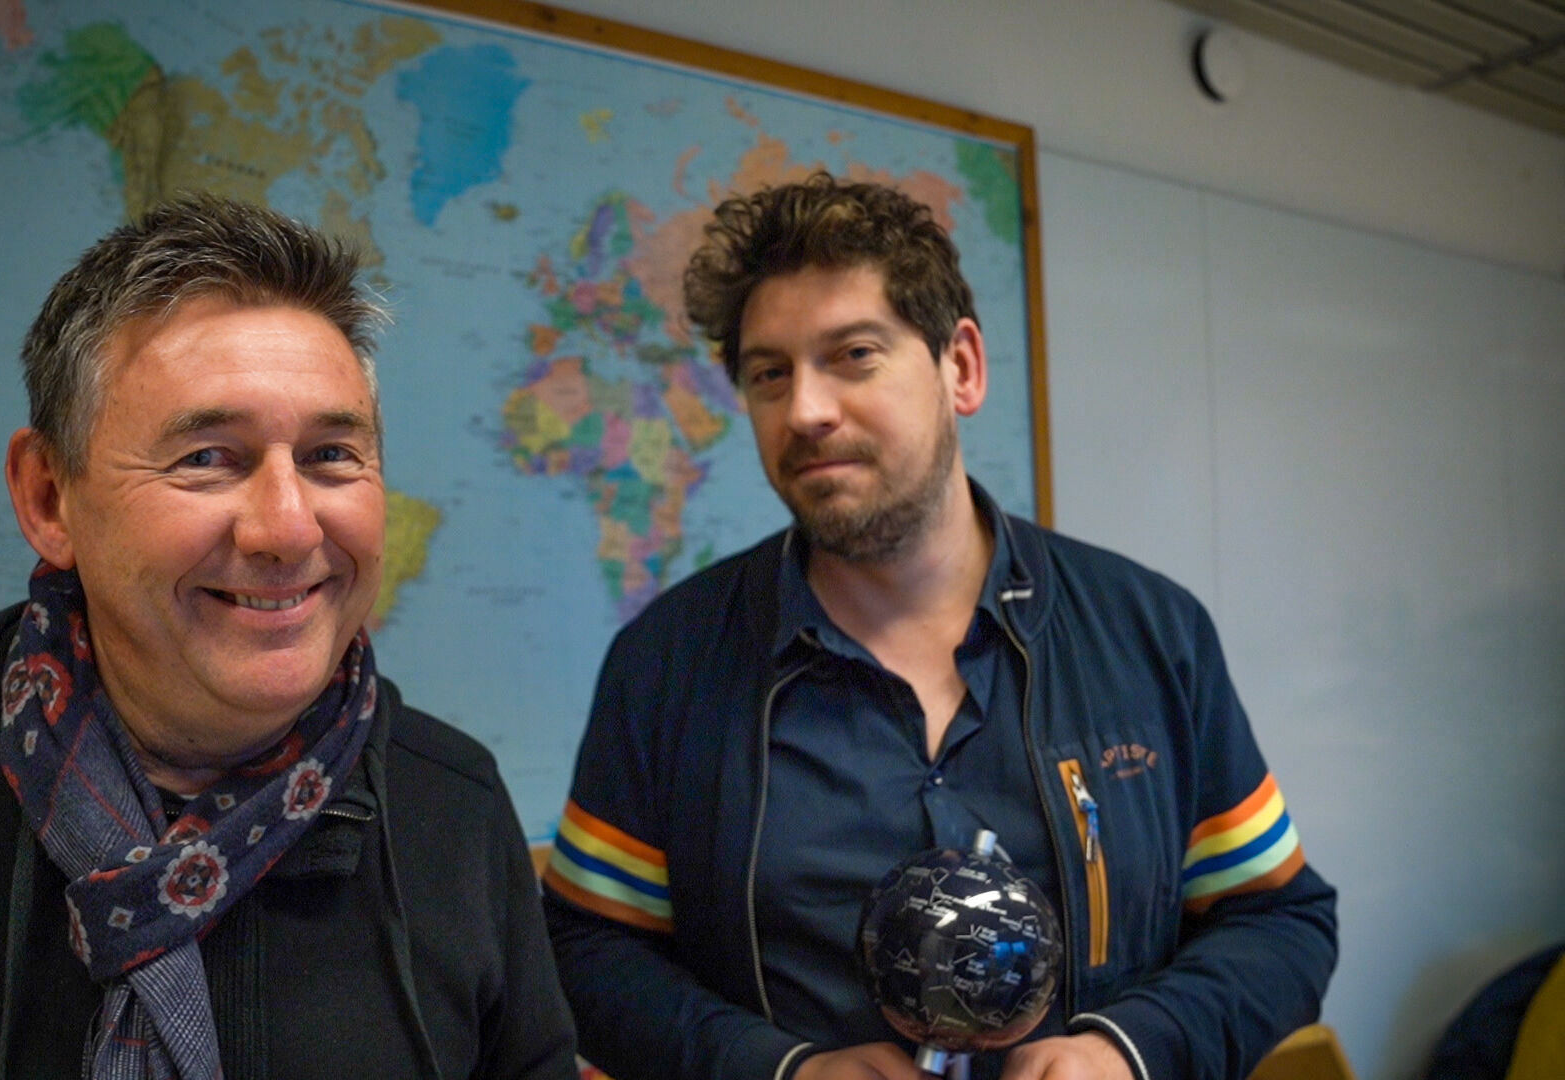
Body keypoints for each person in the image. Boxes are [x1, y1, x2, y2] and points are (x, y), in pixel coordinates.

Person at [0, 195, 577, 1080]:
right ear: (49, 498)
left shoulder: (454, 810)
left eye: (331, 455)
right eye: (207, 458)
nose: (289, 528)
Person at [541, 173, 1337, 1080]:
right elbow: (586, 952)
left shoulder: (1151, 635)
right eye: (770, 374)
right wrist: (778, 1070)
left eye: (854, 355)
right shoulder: (668, 664)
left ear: (961, 367)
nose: (805, 409)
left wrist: (1128, 1051)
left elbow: (1279, 921)